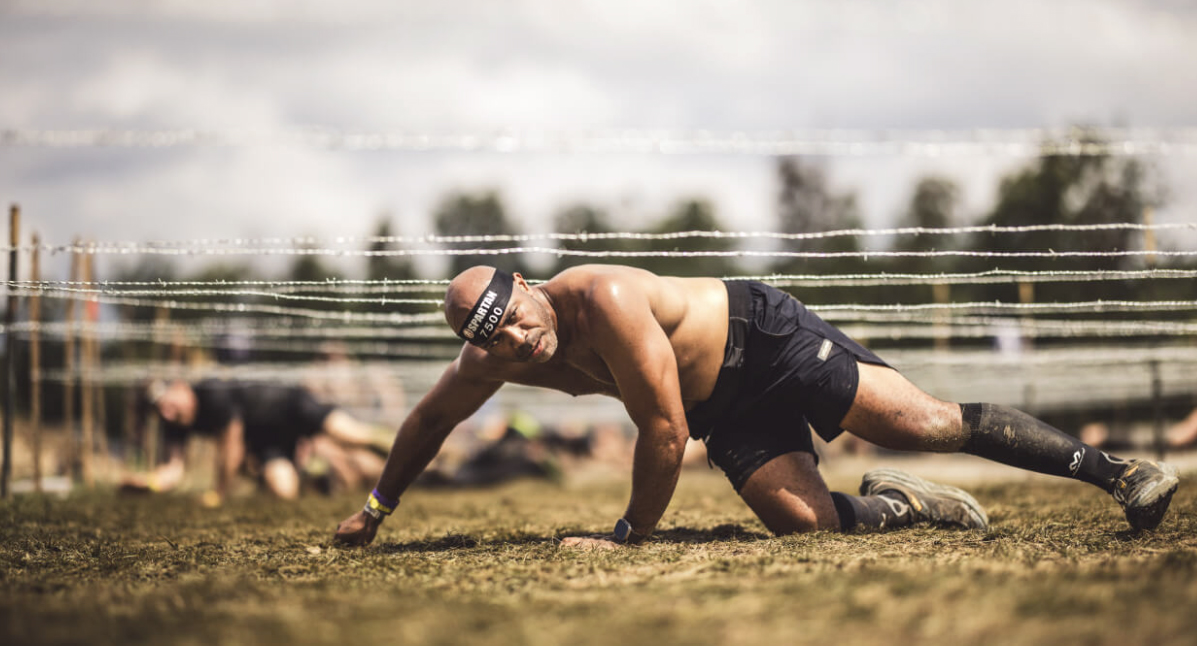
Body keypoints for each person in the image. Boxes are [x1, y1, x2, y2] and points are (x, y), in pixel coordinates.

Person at [335, 265, 1180, 548]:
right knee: (804, 525)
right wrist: (376, 506)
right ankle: (906, 503)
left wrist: (626, 535)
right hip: (725, 409)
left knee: (928, 423)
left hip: (764, 339)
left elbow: (663, 428)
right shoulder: (490, 361)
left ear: (525, 283)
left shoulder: (603, 300)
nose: (517, 338)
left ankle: (1120, 473)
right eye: (494, 336)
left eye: (514, 314)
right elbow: (429, 421)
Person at [130, 378, 392, 503]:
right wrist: (149, 483)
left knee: (352, 435)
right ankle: (319, 478)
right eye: (159, 412)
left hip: (291, 406)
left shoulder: (212, 393)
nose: (167, 414)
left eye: (168, 405)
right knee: (283, 490)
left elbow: (232, 447)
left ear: (180, 388)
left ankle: (403, 449)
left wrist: (218, 493)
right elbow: (174, 469)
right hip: (269, 441)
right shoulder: (175, 424)